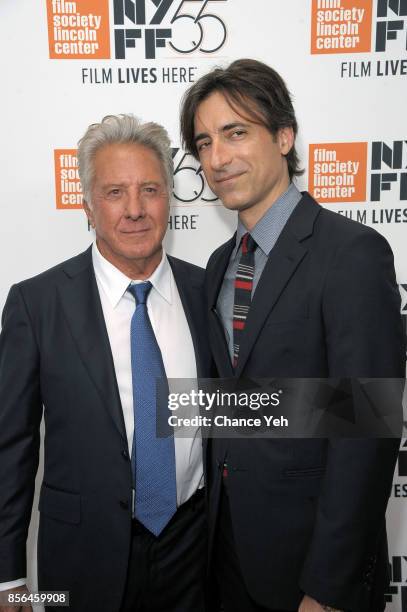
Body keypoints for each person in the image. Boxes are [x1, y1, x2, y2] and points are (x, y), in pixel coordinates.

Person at [179, 59, 405, 612]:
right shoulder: (216, 265)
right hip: (226, 557)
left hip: (313, 570)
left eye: (236, 133)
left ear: (284, 136)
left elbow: (368, 431)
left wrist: (327, 588)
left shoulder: (350, 254)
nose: (217, 158)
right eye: (204, 142)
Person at [0, 114, 212, 612]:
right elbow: (10, 447)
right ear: (88, 206)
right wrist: (7, 578)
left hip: (196, 552)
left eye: (151, 189)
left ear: (171, 198)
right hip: (80, 561)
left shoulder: (209, 293)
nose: (135, 210)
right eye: (115, 192)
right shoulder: (37, 304)